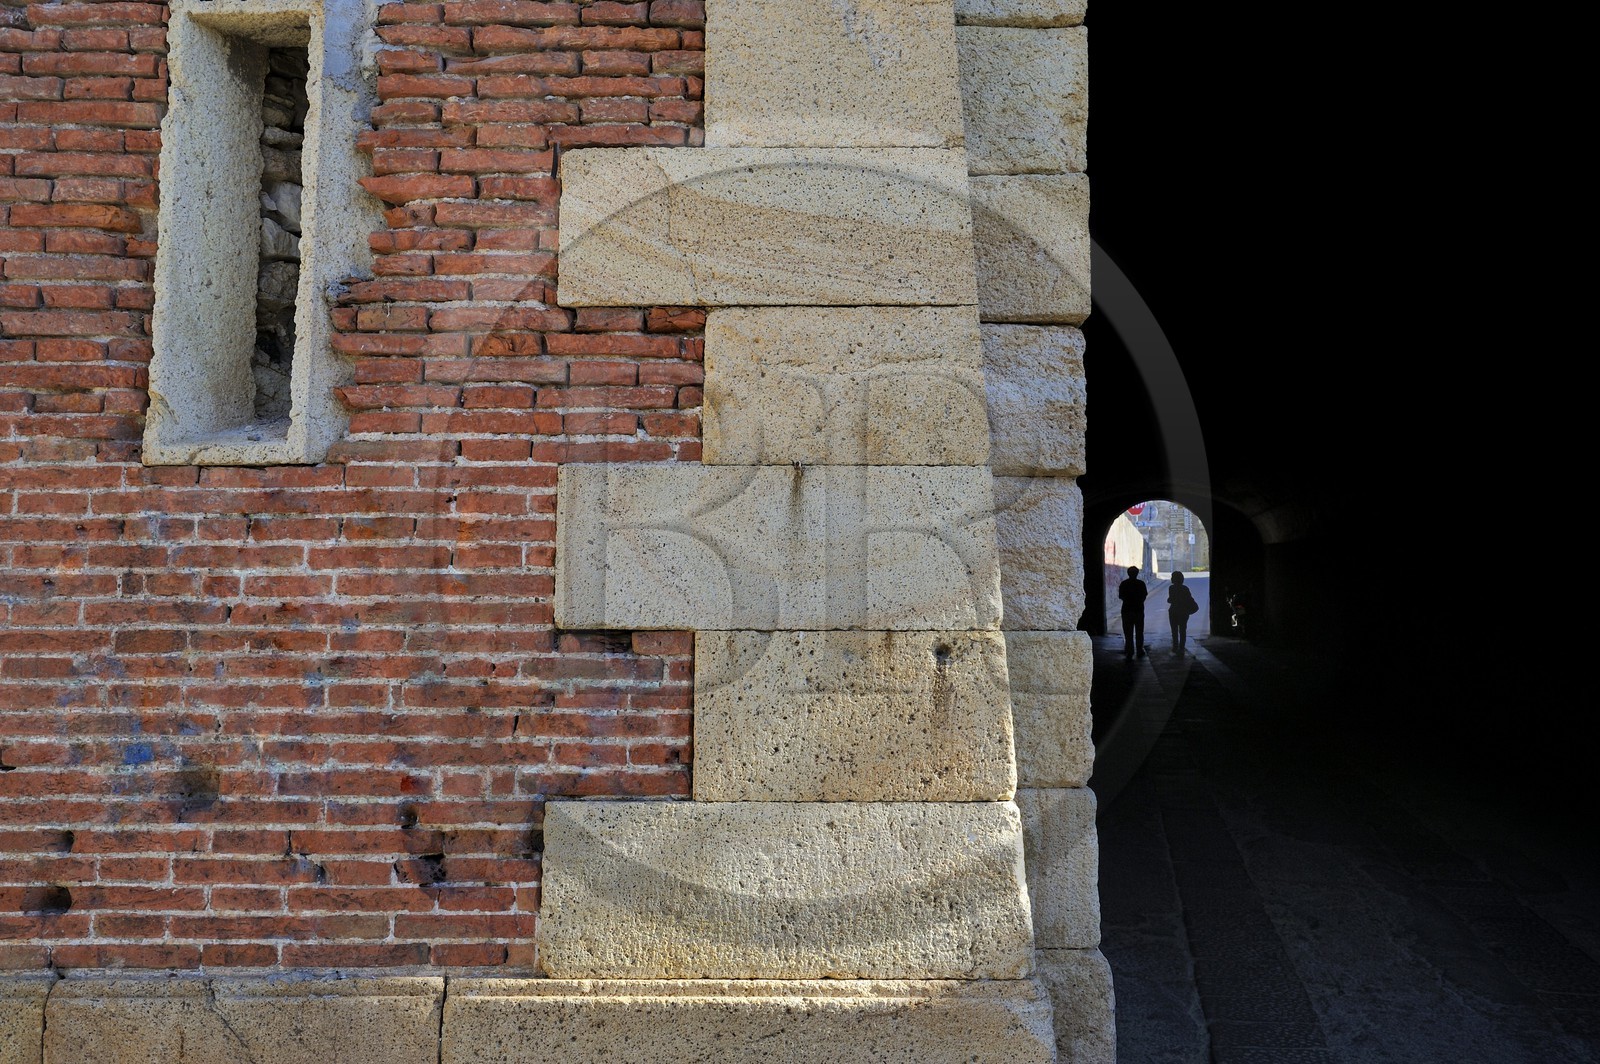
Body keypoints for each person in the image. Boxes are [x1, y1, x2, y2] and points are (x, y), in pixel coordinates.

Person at [1118, 565, 1148, 659]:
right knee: (1139, 631)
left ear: (1128, 573)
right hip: (1138, 610)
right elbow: (1144, 595)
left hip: (1126, 610)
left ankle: (1129, 650)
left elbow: (1121, 596)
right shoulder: (1141, 584)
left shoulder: (1124, 584)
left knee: (1128, 632)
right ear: (1137, 573)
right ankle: (1139, 649)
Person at [1167, 571, 1199, 653]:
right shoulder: (1185, 588)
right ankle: (1182, 646)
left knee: (1174, 630)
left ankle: (1175, 646)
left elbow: (1170, 599)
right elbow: (1189, 599)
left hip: (1173, 611)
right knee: (1182, 630)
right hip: (1183, 612)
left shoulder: (1171, 588)